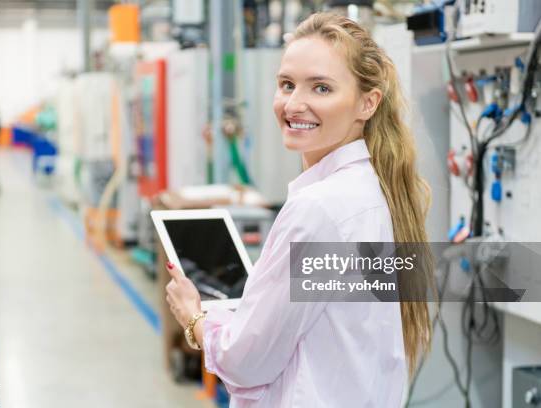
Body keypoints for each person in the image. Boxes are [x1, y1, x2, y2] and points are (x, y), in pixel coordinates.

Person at [165, 12, 432, 407]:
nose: (293, 104)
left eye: (321, 88)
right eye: (286, 84)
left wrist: (194, 317)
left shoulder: (319, 208)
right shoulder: (372, 190)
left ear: (367, 103)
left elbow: (245, 362)